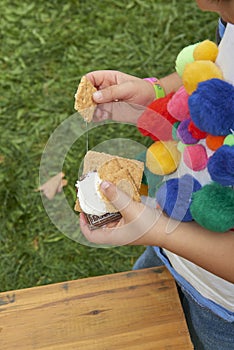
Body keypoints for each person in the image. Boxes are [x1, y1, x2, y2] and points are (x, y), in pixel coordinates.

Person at [80, 1, 234, 349]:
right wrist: (154, 93)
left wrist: (155, 229)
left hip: (222, 309)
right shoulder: (231, 16)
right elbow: (215, 71)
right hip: (171, 254)